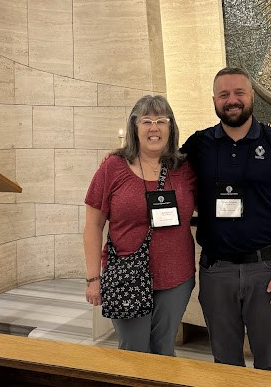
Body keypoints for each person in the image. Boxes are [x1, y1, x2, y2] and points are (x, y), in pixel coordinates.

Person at [182, 67, 271, 371]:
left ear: (251, 96)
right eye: (224, 94)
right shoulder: (198, 145)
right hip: (216, 272)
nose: (232, 100)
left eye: (239, 92)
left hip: (266, 271)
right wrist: (123, 156)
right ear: (214, 100)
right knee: (225, 365)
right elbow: (157, 166)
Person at [83, 95, 196, 356]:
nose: (154, 128)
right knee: (134, 353)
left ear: (171, 127)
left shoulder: (184, 169)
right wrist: (93, 278)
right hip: (126, 277)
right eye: (146, 121)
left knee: (164, 350)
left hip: (176, 279)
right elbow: (92, 226)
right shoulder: (113, 167)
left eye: (161, 120)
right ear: (135, 127)